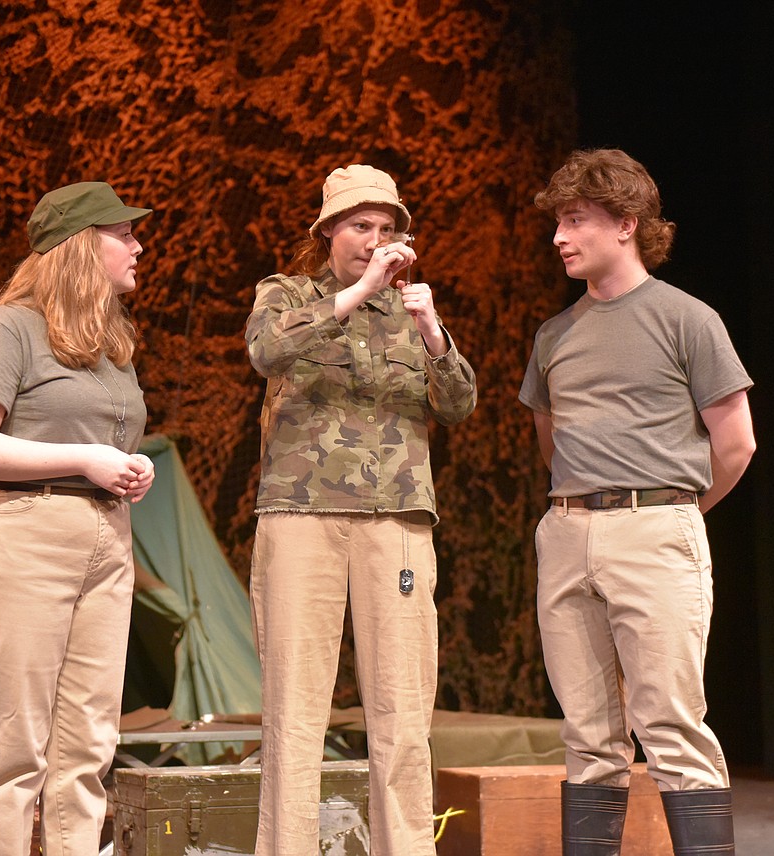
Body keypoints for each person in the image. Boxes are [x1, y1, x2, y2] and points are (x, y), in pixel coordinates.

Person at [519, 148, 756, 855]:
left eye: (576, 220)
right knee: (588, 734)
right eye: (558, 222)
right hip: (567, 532)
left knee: (671, 724)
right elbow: (550, 444)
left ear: (626, 224)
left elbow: (736, 444)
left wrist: (672, 513)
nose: (560, 237)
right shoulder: (554, 335)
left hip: (655, 528)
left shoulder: (687, 318)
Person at [245, 163, 477, 856]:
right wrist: (358, 292)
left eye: (386, 229)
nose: (374, 240)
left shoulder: (411, 312)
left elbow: (458, 404)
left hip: (398, 521)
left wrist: (433, 327)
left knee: (404, 712)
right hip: (300, 516)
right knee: (295, 710)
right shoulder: (289, 292)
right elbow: (265, 349)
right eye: (359, 227)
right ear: (328, 233)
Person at [0, 181, 156, 856]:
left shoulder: (110, 347)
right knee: (16, 749)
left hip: (106, 539)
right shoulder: (6, 329)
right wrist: (85, 459)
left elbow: (99, 445)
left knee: (90, 746)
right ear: (79, 245)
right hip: (24, 535)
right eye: (123, 234)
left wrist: (128, 466)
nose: (137, 246)